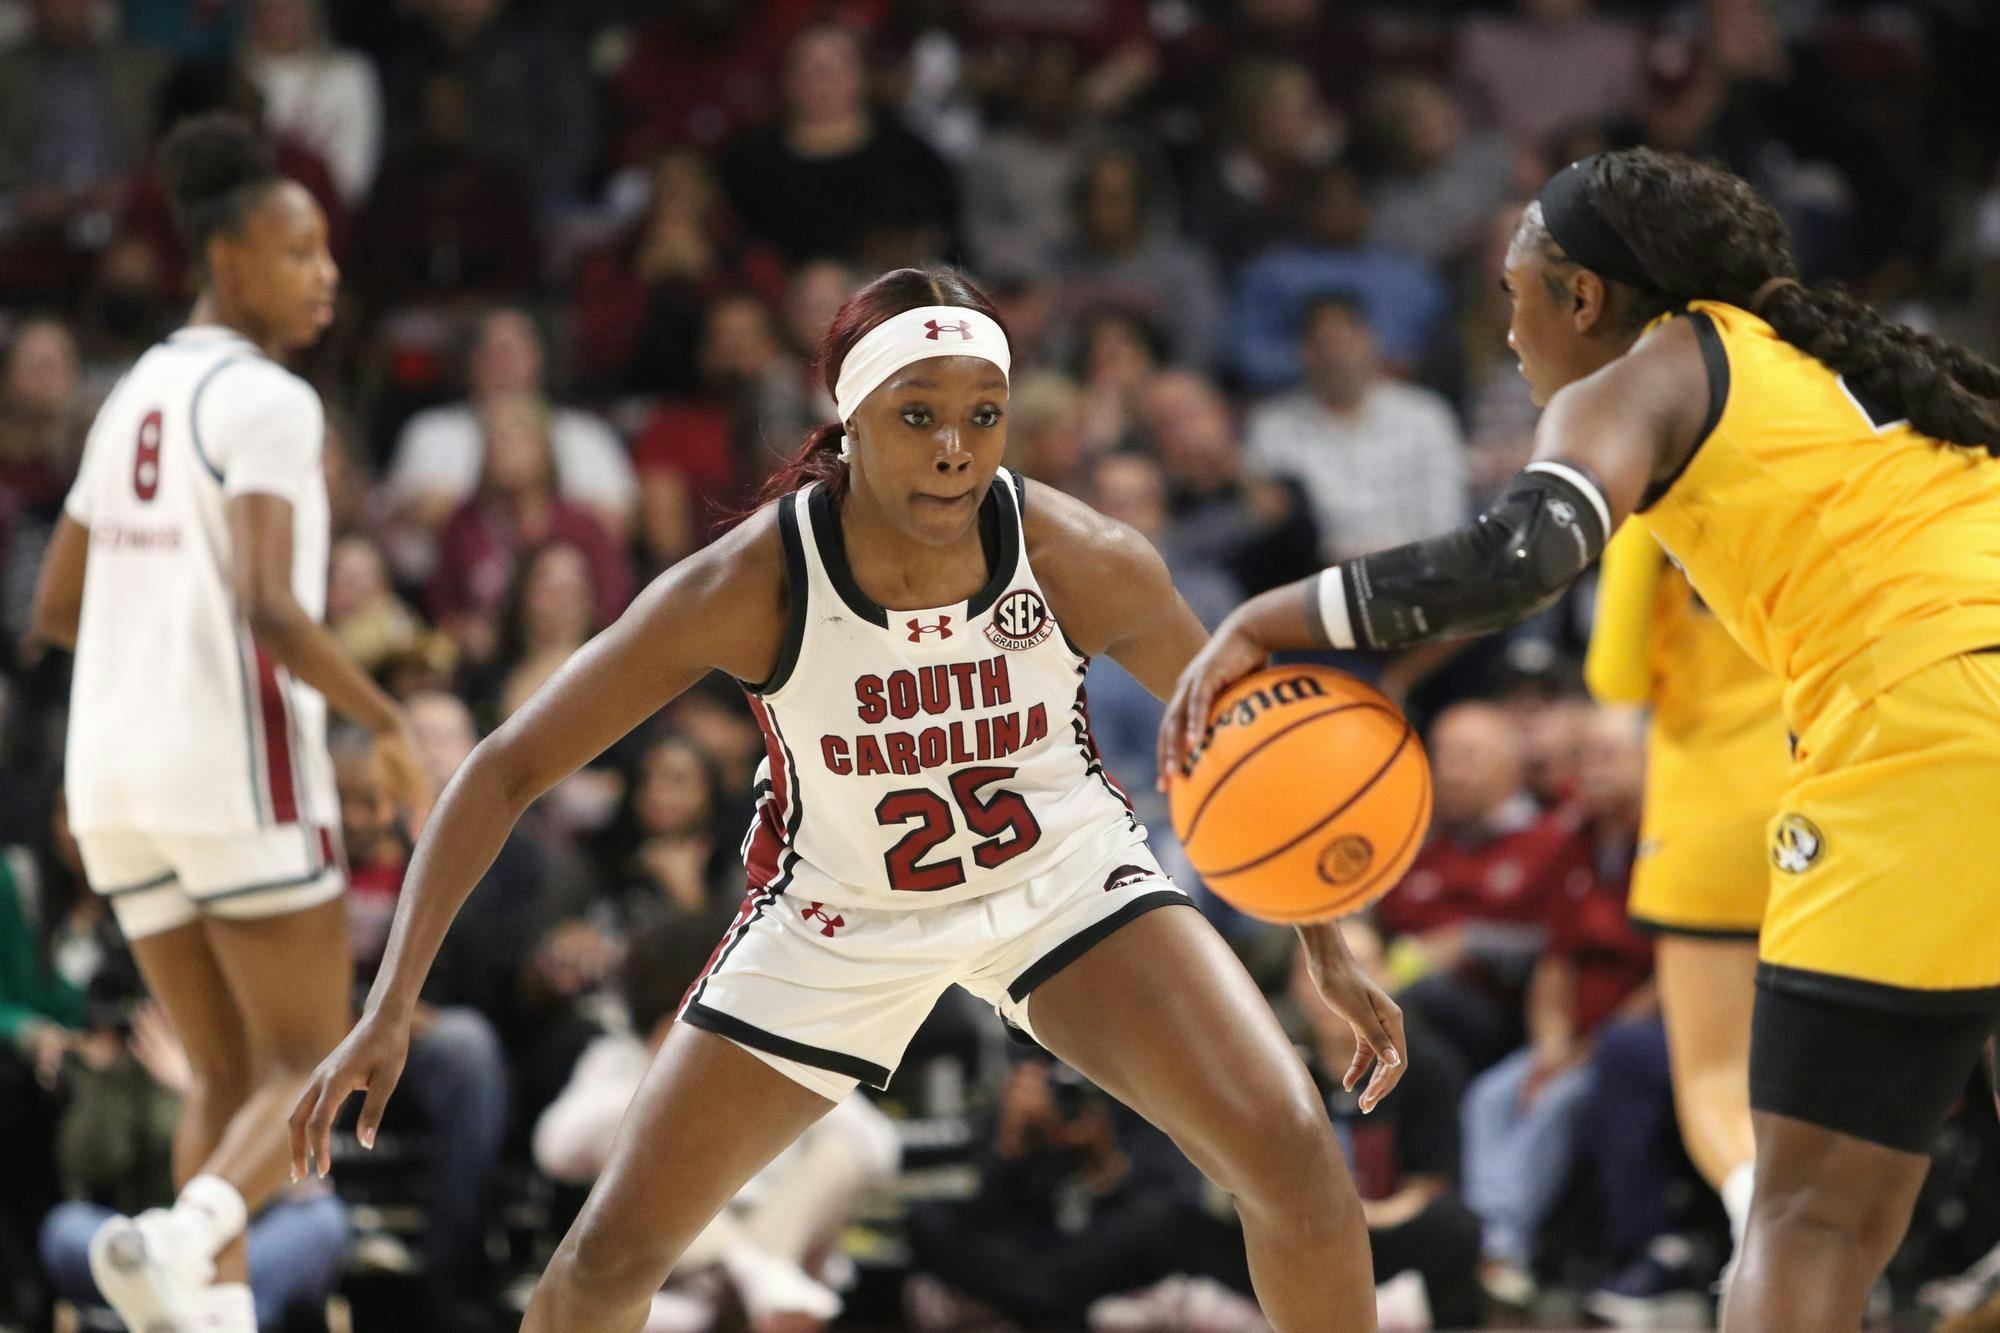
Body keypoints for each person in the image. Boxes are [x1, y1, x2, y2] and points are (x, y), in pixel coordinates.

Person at [293, 266, 1408, 1332]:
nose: (954, 449)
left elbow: (1247, 757)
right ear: (848, 416)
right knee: (608, 1261)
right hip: (836, 919)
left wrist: (1324, 937)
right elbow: (502, 769)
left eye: (984, 414)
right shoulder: (752, 582)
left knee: (1297, 1158)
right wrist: (391, 1000)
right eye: (917, 416)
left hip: (1060, 885)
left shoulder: (1079, 554)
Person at [1163, 146, 2000, 1332]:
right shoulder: (1823, 372)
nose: (1504, 332)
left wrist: (1272, 613)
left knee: (1808, 1222)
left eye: (1512, 294)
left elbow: (1515, 560)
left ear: (1581, 296)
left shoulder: (1648, 373)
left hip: (1926, 731)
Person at [25, 114, 424, 1333]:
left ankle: (208, 1309)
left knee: (224, 1075)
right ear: (230, 258)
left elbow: (55, 605)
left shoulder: (131, 389)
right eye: (300, 252)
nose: (326, 276)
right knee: (311, 1061)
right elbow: (269, 607)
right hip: (229, 765)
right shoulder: (270, 400)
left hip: (112, 776)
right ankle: (187, 1232)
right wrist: (386, 719)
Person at [1584, 519, 1789, 1278]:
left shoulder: (1657, 494)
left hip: (1709, 808)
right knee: (1837, 1061)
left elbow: (1617, 676)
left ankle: (1756, 1217)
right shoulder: (1827, 455)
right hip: (1830, 788)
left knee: (1714, 1072)